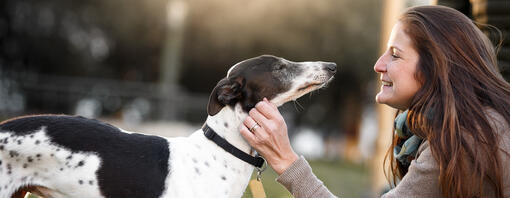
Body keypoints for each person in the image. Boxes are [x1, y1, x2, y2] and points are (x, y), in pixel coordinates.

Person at [239, 5, 510, 198]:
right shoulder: (477, 123)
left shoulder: (462, 141)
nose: (379, 65)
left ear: (436, 67)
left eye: (395, 55)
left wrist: (285, 160)